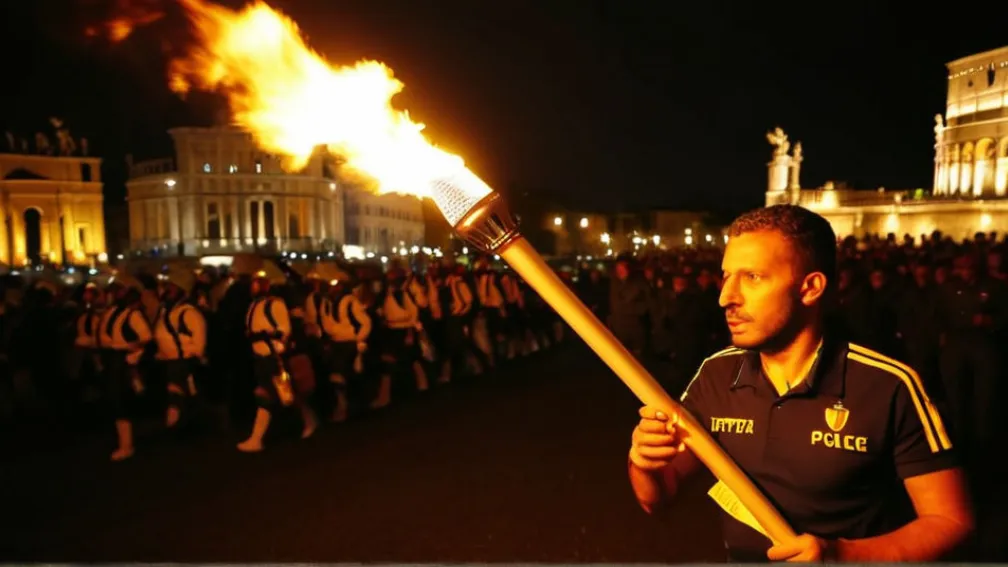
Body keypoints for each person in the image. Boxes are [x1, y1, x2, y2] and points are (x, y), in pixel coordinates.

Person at [627, 205, 973, 562]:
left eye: (753, 277)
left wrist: (841, 555)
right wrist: (644, 463)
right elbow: (658, 497)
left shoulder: (889, 385)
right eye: (726, 275)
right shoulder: (716, 374)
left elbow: (950, 520)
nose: (725, 297)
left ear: (810, 288)